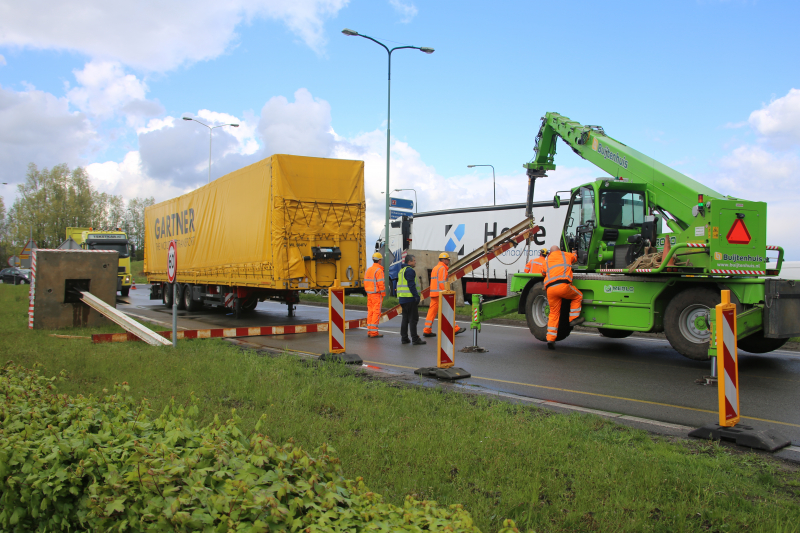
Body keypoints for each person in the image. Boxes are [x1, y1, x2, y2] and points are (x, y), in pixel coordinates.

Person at [544, 244, 584, 350]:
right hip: (563, 286)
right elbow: (575, 258)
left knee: (553, 313)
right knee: (578, 296)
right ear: (559, 250)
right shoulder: (565, 255)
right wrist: (574, 252)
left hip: (550, 289)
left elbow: (543, 272)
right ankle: (573, 319)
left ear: (550, 253)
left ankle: (550, 339)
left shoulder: (547, 260)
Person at [423, 252, 465, 337]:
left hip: (434, 293)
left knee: (431, 312)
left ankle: (427, 330)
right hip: (440, 294)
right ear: (444, 260)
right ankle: (455, 329)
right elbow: (442, 282)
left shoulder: (435, 268)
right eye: (447, 260)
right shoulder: (442, 268)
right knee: (448, 311)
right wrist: (446, 292)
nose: (448, 261)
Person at [397, 254, 426, 345]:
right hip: (410, 298)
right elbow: (411, 285)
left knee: (405, 318)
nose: (415, 262)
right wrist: (416, 296)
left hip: (402, 298)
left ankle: (404, 338)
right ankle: (415, 339)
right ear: (409, 262)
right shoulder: (410, 271)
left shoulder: (402, 271)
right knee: (413, 319)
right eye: (414, 260)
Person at [364, 251, 385, 338]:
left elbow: (365, 282)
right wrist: (383, 293)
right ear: (379, 260)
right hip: (376, 294)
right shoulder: (379, 270)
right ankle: (374, 332)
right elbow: (381, 283)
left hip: (369, 294)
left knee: (370, 312)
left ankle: (370, 330)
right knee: (376, 312)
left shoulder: (368, 270)